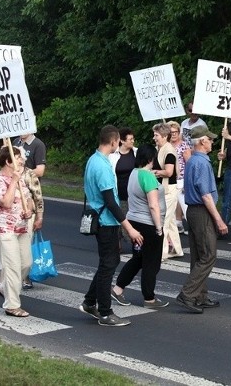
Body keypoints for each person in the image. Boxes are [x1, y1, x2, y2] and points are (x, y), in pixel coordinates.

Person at [78, 125, 144, 327]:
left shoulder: (94, 159)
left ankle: (90, 302)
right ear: (115, 141)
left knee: (109, 262)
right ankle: (106, 313)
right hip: (106, 221)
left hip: (103, 219)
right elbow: (110, 201)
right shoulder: (103, 166)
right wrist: (129, 228)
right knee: (108, 265)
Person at [176, 125, 228, 313]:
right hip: (202, 211)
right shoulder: (202, 163)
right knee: (208, 255)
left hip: (193, 210)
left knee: (198, 255)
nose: (213, 142)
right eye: (211, 139)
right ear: (202, 141)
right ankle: (188, 294)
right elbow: (206, 195)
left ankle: (200, 295)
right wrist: (219, 220)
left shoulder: (192, 160)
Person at [112, 144, 168, 308]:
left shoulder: (134, 173)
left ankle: (117, 289)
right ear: (151, 158)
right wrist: (158, 228)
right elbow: (153, 205)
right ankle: (149, 298)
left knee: (138, 259)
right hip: (149, 224)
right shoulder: (148, 176)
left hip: (134, 221)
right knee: (152, 262)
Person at [0, 146, 34, 317]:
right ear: (8, 162)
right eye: (17, 158)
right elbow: (6, 203)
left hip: (21, 227)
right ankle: (12, 305)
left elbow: (28, 199)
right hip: (4, 229)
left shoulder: (21, 179)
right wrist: (13, 181)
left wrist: (29, 210)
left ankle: (5, 287)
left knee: (26, 263)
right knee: (12, 266)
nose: (22, 160)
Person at [152, 123, 183, 260]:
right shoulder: (160, 148)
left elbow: (169, 172)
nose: (154, 137)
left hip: (169, 190)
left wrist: (154, 172)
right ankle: (177, 249)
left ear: (164, 136)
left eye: (156, 135)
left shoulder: (169, 151)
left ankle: (162, 252)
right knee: (170, 222)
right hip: (164, 189)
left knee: (163, 221)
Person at [18, 146, 45, 290]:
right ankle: (5, 278)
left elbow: (38, 198)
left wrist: (39, 217)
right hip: (11, 217)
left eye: (20, 158)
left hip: (29, 216)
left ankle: (25, 276)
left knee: (25, 247)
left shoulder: (29, 174)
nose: (19, 161)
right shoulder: (6, 174)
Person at [167, 120, 192, 235]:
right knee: (170, 206)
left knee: (185, 206)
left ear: (179, 132)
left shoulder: (184, 145)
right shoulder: (166, 146)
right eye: (171, 132)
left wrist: (188, 181)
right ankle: (174, 227)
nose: (173, 134)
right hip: (169, 180)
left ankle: (193, 228)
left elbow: (189, 164)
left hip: (181, 179)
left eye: (175, 132)